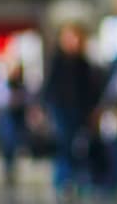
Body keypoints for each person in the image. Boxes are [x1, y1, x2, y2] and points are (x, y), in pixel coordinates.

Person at [42, 22, 102, 194]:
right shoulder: (57, 62)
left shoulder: (84, 64)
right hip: (61, 111)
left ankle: (80, 180)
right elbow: (50, 89)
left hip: (80, 112)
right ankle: (63, 181)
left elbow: (91, 90)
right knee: (64, 145)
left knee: (80, 147)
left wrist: (92, 110)